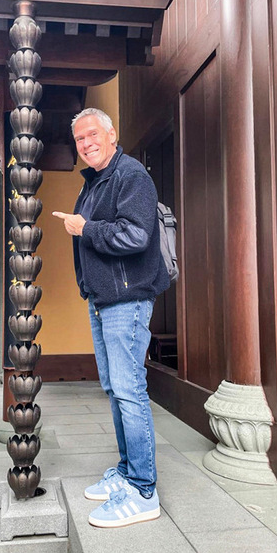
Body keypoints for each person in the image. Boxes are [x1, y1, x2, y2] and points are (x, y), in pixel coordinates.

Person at [52, 108, 169, 529]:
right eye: (79, 139)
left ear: (111, 133)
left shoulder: (131, 175)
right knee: (115, 389)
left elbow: (136, 236)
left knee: (129, 389)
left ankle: (142, 490)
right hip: (103, 300)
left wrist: (85, 229)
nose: (86, 144)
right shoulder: (95, 182)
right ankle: (125, 471)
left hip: (128, 301)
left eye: (92, 135)